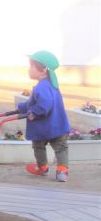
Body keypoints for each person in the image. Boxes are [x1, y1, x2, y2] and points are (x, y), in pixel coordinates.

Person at [16, 50, 71, 182]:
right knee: (61, 148)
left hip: (44, 127)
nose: (29, 69)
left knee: (38, 146)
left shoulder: (42, 87)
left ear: (43, 70)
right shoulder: (50, 85)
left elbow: (45, 103)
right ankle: (62, 171)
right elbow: (33, 102)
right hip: (58, 126)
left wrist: (34, 112)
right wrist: (22, 108)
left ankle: (42, 167)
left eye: (31, 66)